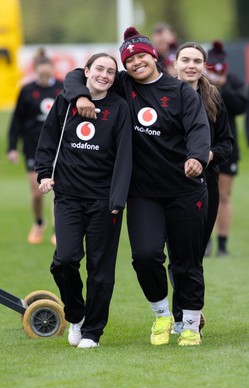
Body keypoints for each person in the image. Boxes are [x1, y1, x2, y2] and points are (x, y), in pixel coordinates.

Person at [62, 27, 211, 347]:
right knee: (145, 256)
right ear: (125, 65)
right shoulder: (122, 85)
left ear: (153, 56)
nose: (136, 62)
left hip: (185, 190)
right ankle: (161, 315)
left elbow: (198, 127)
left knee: (186, 261)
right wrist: (81, 95)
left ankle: (190, 322)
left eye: (142, 55)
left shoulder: (180, 90)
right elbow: (75, 76)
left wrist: (197, 157)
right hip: (143, 193)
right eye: (129, 59)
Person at [34, 53, 132, 349]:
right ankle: (75, 315)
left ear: (115, 78)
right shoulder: (67, 101)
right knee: (64, 261)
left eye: (111, 72)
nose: (104, 75)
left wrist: (117, 198)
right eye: (99, 69)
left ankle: (92, 332)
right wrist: (43, 174)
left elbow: (125, 155)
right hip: (68, 196)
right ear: (86, 71)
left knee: (100, 270)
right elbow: (49, 138)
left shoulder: (120, 108)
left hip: (104, 201)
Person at [170, 41, 234, 334]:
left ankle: (187, 316)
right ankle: (180, 313)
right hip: (164, 185)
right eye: (185, 59)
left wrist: (207, 155)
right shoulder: (160, 95)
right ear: (175, 63)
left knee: (191, 254)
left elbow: (227, 144)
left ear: (204, 65)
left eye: (197, 60)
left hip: (203, 185)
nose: (191, 65)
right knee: (168, 253)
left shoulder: (214, 98)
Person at [7, 50, 63, 245]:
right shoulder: (27, 90)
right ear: (36, 71)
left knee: (58, 191)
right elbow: (17, 121)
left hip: (58, 147)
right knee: (37, 192)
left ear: (53, 71)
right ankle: (39, 222)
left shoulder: (62, 88)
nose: (44, 78)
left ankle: (58, 230)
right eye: (41, 75)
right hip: (33, 146)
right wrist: (12, 147)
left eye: (48, 74)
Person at [204, 40, 247, 256]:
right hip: (201, 145)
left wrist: (223, 86)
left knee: (224, 195)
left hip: (226, 145)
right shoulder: (198, 83)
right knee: (201, 195)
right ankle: (205, 241)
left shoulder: (233, 81)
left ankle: (222, 245)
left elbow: (240, 107)